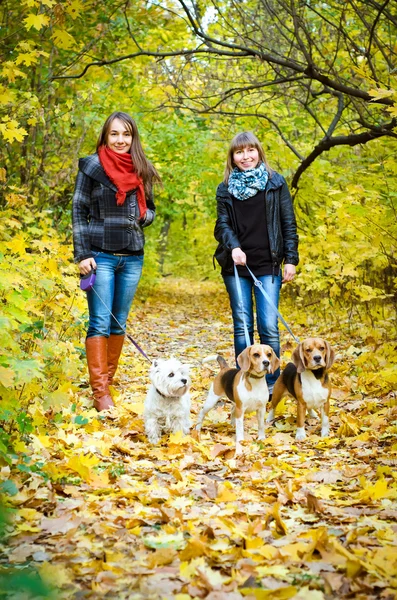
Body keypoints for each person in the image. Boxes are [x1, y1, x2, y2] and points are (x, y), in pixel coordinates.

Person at [72, 111, 161, 411]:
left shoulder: (141, 168)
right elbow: (78, 211)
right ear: (106, 136)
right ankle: (101, 395)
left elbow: (151, 210)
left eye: (126, 134)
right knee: (99, 321)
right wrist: (82, 254)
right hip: (100, 255)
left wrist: (145, 216)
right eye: (114, 134)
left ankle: (106, 382)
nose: (120, 140)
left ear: (133, 137)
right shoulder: (91, 167)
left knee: (118, 321)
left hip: (133, 256)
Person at [214, 131, 299, 394]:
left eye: (250, 150)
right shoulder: (225, 188)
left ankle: (272, 386)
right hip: (235, 265)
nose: (245, 156)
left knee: (268, 325)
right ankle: (245, 383)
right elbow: (222, 225)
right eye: (239, 152)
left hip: (269, 264)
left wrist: (291, 260)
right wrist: (234, 246)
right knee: (242, 325)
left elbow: (288, 222)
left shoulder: (275, 183)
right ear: (233, 157)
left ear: (259, 152)